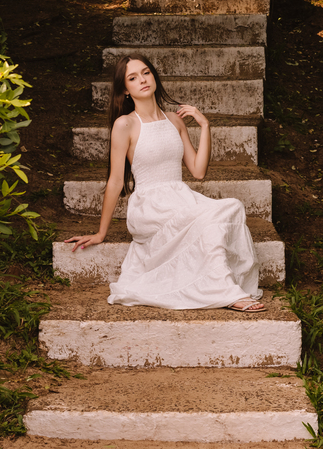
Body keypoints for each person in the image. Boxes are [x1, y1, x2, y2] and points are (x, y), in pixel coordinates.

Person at [64, 53, 263, 312]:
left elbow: (198, 171)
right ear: (125, 90)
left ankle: (220, 286)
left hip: (181, 197)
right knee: (208, 218)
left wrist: (204, 126)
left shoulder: (174, 120)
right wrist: (101, 232)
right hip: (150, 205)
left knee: (232, 205)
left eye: (146, 73)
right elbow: (115, 181)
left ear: (154, 76)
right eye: (133, 78)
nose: (142, 80)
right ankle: (225, 292)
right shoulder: (124, 124)